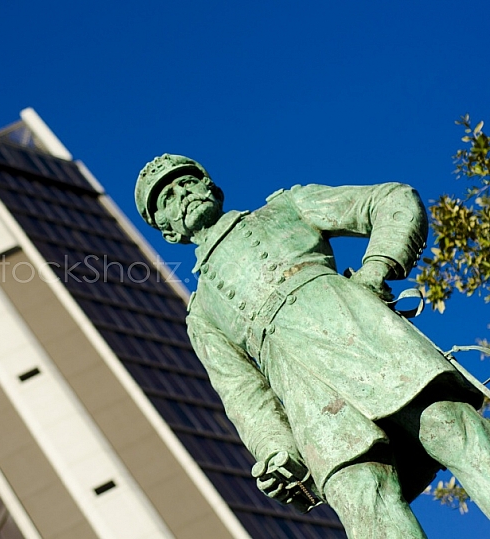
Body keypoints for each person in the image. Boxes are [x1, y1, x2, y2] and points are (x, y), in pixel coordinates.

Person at [135, 154, 490, 538]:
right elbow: (242, 393)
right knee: (362, 496)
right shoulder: (202, 314)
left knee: (449, 427)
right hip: (308, 399)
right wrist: (275, 451)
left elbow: (392, 199)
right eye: (167, 197)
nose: (182, 194)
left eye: (187, 182)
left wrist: (377, 268)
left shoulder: (287, 207)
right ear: (168, 232)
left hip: (360, 335)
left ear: (211, 188)